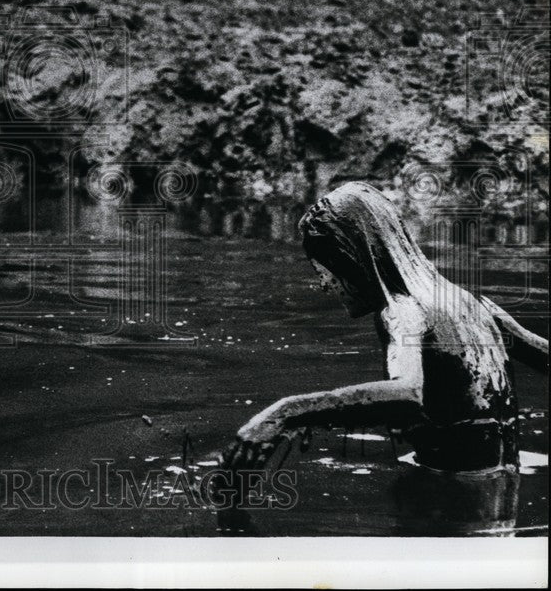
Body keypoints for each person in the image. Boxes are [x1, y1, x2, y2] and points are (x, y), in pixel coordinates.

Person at [219, 181, 548, 473]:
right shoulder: (478, 306)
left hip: (447, 507)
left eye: (320, 270)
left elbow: (408, 395)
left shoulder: (403, 311)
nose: (322, 284)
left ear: (349, 258)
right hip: (500, 503)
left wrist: (285, 413)